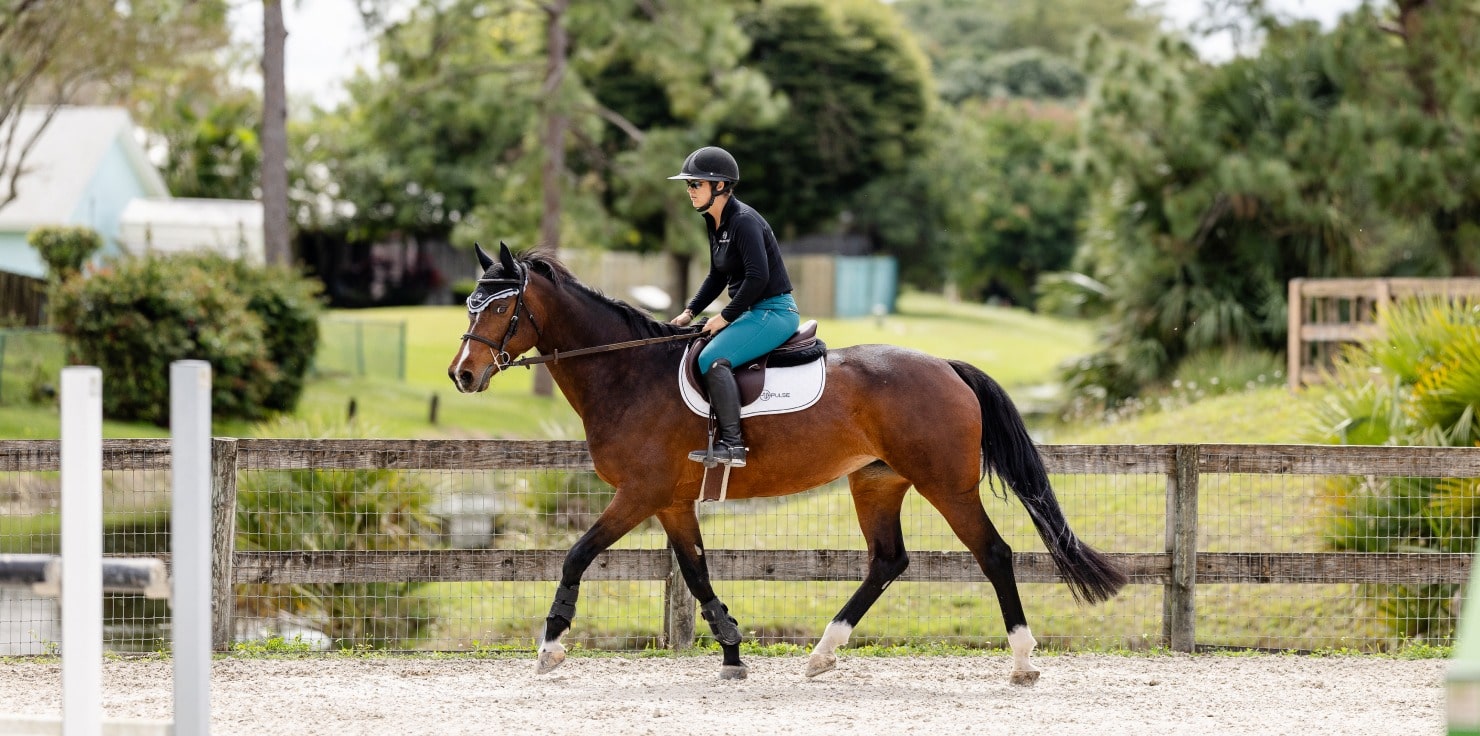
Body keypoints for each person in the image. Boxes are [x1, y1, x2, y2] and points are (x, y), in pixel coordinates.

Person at [668, 146, 798, 468]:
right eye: (688, 184)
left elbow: (758, 277)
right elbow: (717, 274)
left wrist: (725, 317)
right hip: (754, 311)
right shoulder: (715, 222)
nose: (690, 190)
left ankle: (732, 445)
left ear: (721, 186)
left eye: (696, 184)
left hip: (774, 311)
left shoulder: (743, 221)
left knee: (713, 359)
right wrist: (690, 312)